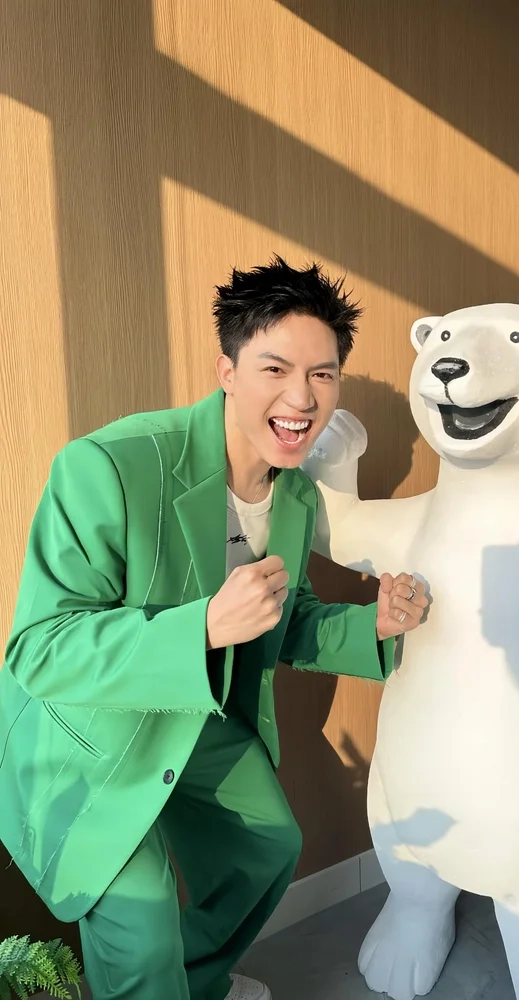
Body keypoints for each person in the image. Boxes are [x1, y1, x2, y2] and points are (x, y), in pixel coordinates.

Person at [0, 258, 428, 1000]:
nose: (302, 397)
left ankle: (192, 986)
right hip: (89, 735)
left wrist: (376, 624)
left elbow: (281, 618)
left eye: (323, 375)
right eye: (276, 369)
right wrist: (200, 626)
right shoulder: (107, 466)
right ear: (227, 371)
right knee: (141, 930)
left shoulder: (295, 496)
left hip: (193, 716)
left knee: (268, 848)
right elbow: (40, 649)